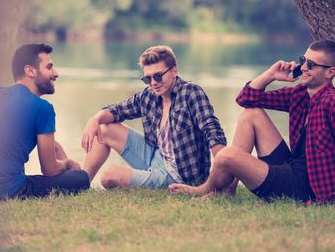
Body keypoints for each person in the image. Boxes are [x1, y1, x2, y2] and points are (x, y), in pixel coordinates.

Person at [170, 40, 335, 204]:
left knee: (226, 155)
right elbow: (246, 99)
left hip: (309, 189)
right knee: (251, 113)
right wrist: (270, 75)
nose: (303, 67)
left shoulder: (334, 105)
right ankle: (227, 191)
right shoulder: (301, 94)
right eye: (303, 61)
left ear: (330, 72)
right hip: (294, 168)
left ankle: (204, 189)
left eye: (311, 65)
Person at [81, 45, 227, 189]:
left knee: (108, 176)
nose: (153, 83)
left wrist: (220, 181)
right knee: (104, 128)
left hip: (179, 175)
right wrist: (94, 120)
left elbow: (213, 132)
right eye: (147, 79)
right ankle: (80, 184)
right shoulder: (149, 95)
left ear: (174, 70)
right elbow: (117, 110)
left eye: (158, 76)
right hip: (155, 157)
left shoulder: (191, 93)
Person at [0, 44, 89, 201]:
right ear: (30, 71)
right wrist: (68, 163)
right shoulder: (43, 108)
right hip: (7, 191)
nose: (55, 74)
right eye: (49, 67)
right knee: (81, 178)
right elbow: (50, 170)